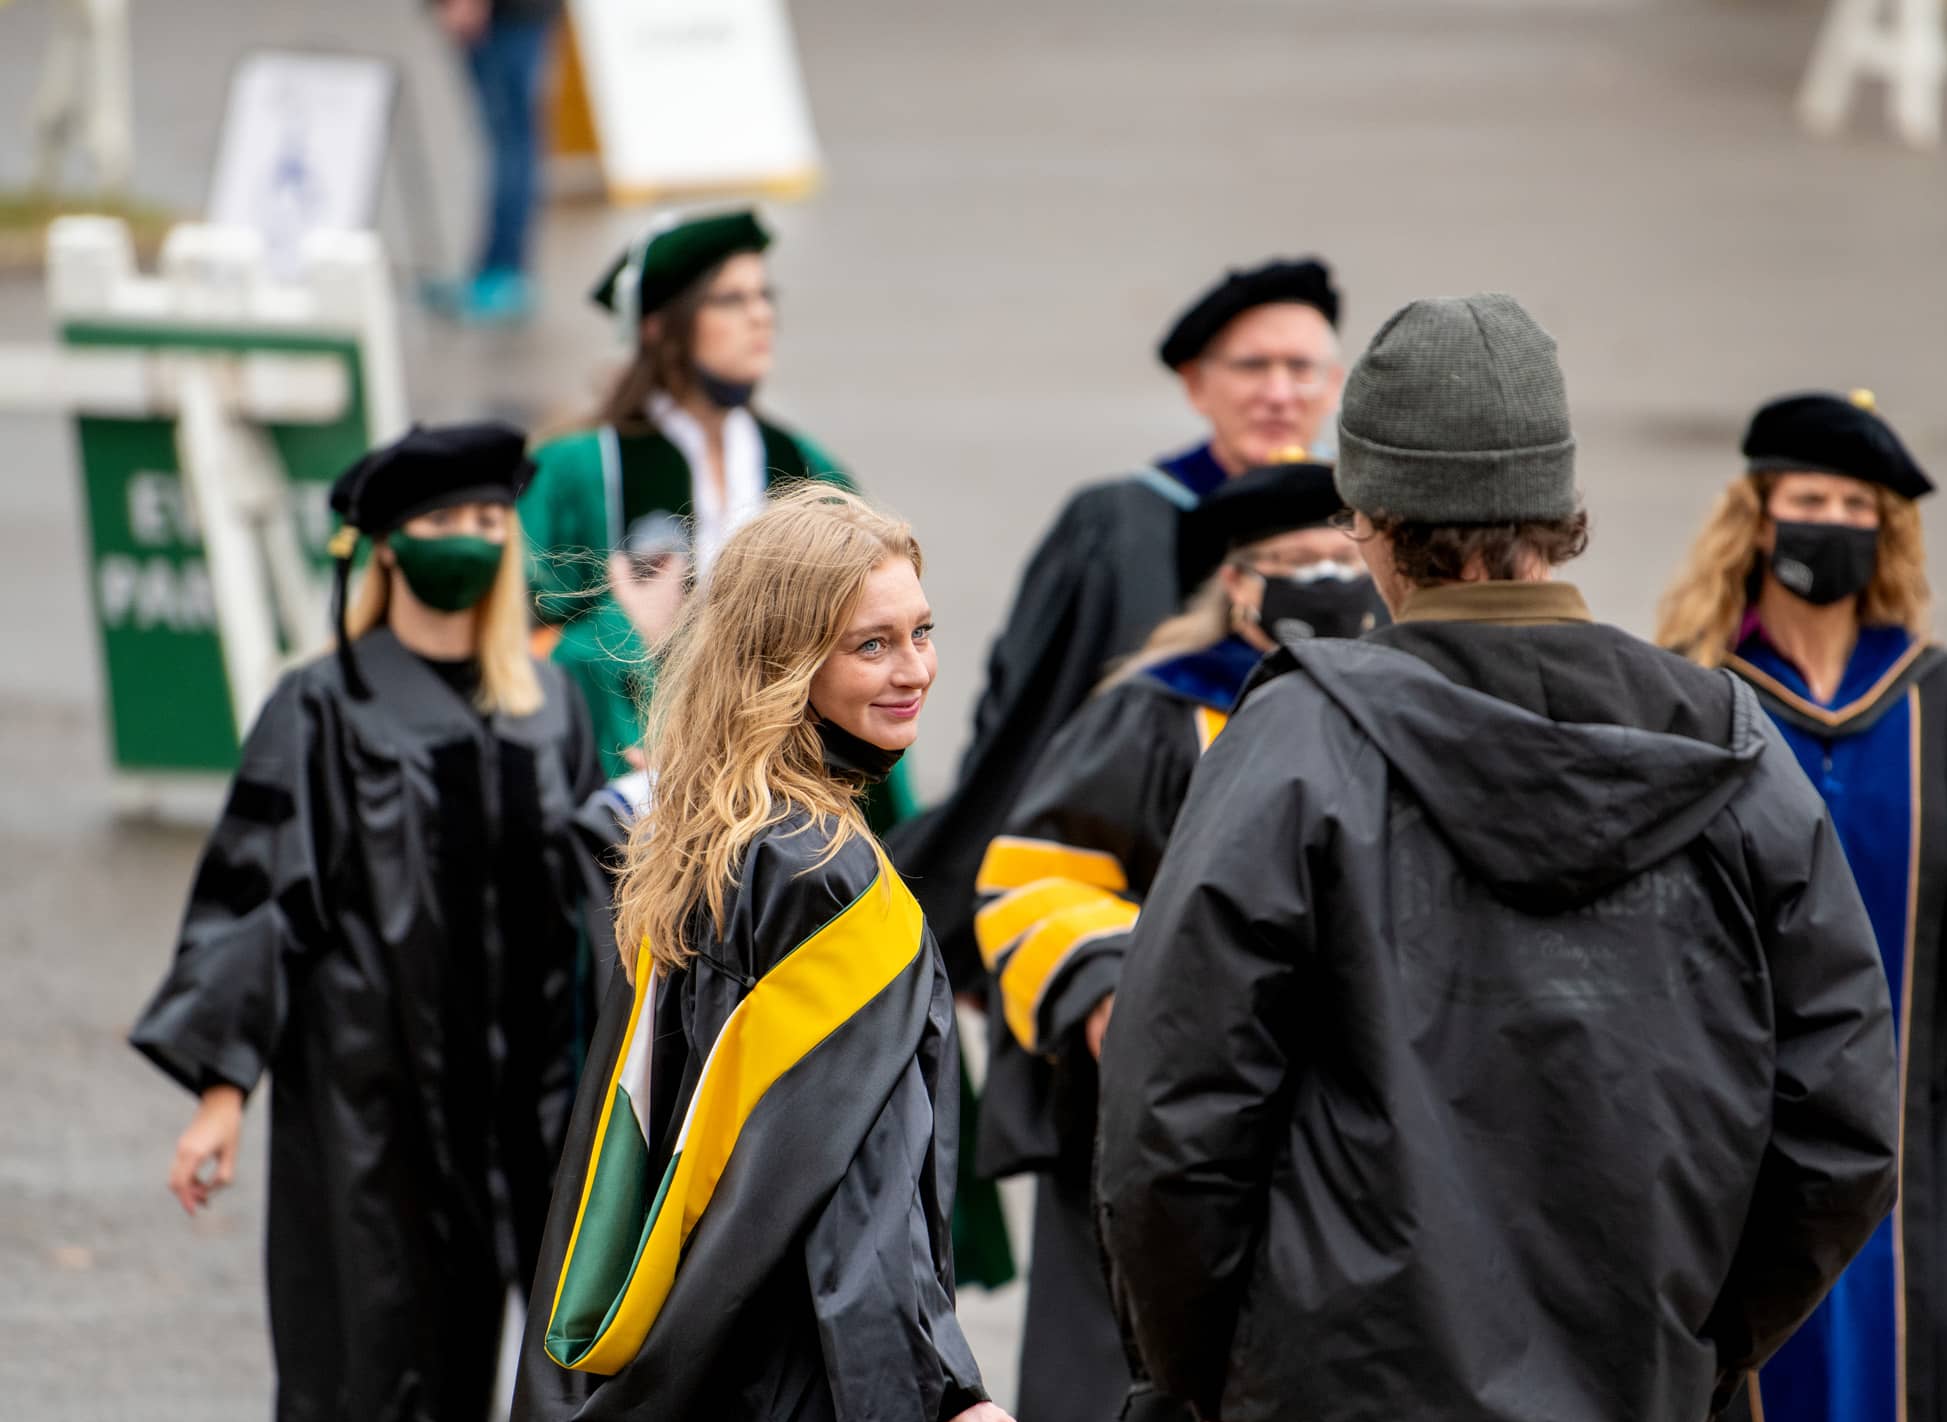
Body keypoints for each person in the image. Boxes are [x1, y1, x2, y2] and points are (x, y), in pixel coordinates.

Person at [1096, 294, 1902, 1422]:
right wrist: (1695, 1348)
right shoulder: (1730, 747)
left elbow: (1175, 1107)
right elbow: (1847, 1116)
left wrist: (1209, 1374)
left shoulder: (1297, 744)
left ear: (1369, 523)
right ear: (1565, 512)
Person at [449, 487, 1038, 1422]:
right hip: (789, 1383)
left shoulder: (703, 828)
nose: (911, 668)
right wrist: (940, 1385)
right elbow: (848, 1186)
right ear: (785, 661)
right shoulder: (827, 876)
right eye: (868, 644)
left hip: (687, 1349)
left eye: (919, 632)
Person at [131, 424, 602, 1422]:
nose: (470, 542)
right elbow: (256, 904)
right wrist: (221, 1095)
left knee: (524, 1396)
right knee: (365, 1377)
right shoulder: (323, 708)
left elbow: (603, 912)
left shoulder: (550, 705)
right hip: (372, 1112)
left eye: (490, 522)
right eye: (443, 524)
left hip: (532, 1115)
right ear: (384, 547)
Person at [972, 461, 1380, 1422]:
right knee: (1107, 1414)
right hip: (1146, 1138)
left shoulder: (1400, 704)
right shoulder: (1151, 711)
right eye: (1297, 567)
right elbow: (1029, 876)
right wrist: (1110, 983)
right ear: (1233, 585)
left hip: (1329, 1141)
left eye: (1346, 562)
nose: (1327, 585)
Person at [1657, 392, 1947, 1422]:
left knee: (1943, 1374)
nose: (1832, 523)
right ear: (1755, 515)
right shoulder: (1689, 701)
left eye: (1859, 507)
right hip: (1732, 1152)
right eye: (1809, 500)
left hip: (1922, 1147)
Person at [889, 255, 1345, 988]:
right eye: (1253, 366)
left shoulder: (1373, 531)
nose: (1279, 392)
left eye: (1302, 368)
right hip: (1116, 910)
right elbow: (1024, 717)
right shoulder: (1115, 526)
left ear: (1336, 381)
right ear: (1198, 384)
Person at [517, 209, 870, 787]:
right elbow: (519, 642)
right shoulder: (580, 469)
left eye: (764, 296)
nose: (760, 316)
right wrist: (627, 629)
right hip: (631, 769)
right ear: (659, 327)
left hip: (787, 769)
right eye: (730, 300)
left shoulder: (802, 464)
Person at [427, 0, 562, 324]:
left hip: (509, 14)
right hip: (507, 14)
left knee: (512, 138)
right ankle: (495, 269)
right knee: (508, 136)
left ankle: (504, 271)